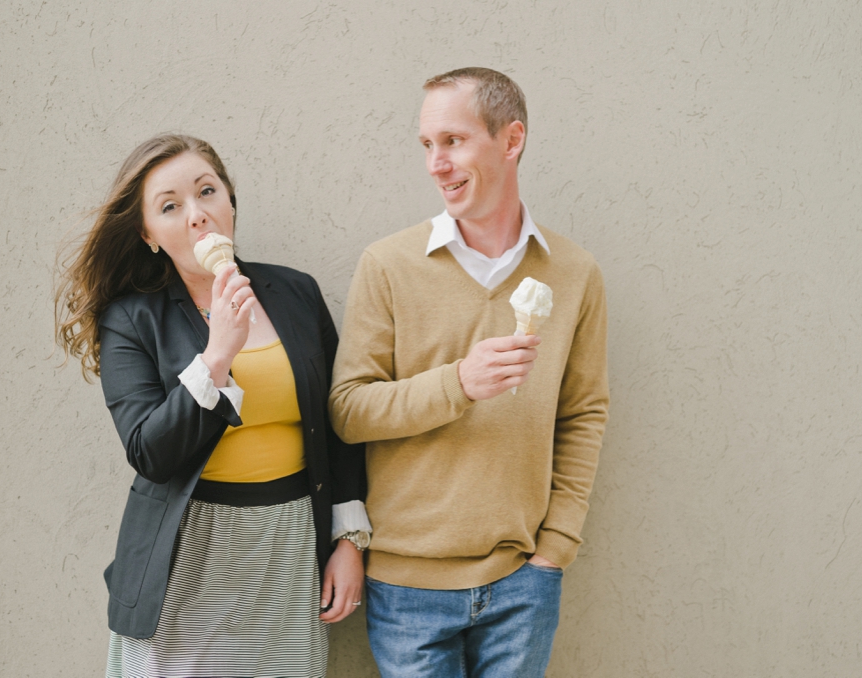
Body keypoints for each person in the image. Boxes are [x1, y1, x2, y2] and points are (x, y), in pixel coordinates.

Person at [54, 133, 370, 677]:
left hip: (289, 542)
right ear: (148, 234)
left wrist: (349, 539)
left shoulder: (296, 293)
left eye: (207, 192)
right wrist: (217, 353)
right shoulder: (132, 319)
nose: (196, 215)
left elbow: (338, 423)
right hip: (190, 550)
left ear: (230, 201)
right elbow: (149, 451)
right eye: (171, 206)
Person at [330, 67, 609, 677]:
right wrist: (458, 384)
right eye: (427, 145)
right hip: (407, 587)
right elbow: (348, 411)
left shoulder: (575, 272)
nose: (436, 164)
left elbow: (583, 414)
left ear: (511, 141)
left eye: (453, 141)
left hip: (523, 582)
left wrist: (556, 547)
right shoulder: (388, 265)